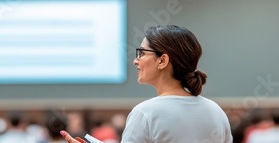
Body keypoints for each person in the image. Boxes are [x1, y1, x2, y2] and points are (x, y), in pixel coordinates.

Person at [61, 25, 232, 143]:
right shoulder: (216, 112)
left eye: (142, 53)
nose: (136, 61)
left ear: (162, 60)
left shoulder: (145, 113)